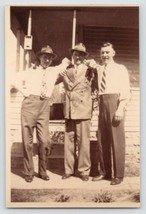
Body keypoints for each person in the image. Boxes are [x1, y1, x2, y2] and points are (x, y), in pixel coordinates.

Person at [11, 45, 69, 182]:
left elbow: (66, 62)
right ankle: (28, 172)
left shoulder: (53, 71)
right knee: (28, 141)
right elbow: (12, 79)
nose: (47, 59)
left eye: (50, 57)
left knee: (44, 140)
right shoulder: (31, 71)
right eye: (45, 57)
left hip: (44, 106)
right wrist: (25, 92)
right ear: (40, 57)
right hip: (30, 104)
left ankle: (42, 171)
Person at [55, 43, 97, 181]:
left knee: (84, 142)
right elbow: (52, 81)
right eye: (75, 54)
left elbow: (100, 81)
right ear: (72, 56)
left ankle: (84, 171)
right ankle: (68, 170)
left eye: (80, 54)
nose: (77, 57)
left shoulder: (90, 70)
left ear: (84, 56)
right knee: (69, 142)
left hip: (83, 110)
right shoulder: (67, 69)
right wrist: (59, 69)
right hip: (69, 111)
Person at [92, 42, 130, 185]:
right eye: (103, 53)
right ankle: (105, 172)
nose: (105, 55)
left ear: (113, 53)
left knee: (117, 140)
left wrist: (120, 108)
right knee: (102, 139)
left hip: (115, 102)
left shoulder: (121, 69)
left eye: (108, 52)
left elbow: (125, 90)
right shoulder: (100, 68)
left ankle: (118, 175)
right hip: (102, 103)